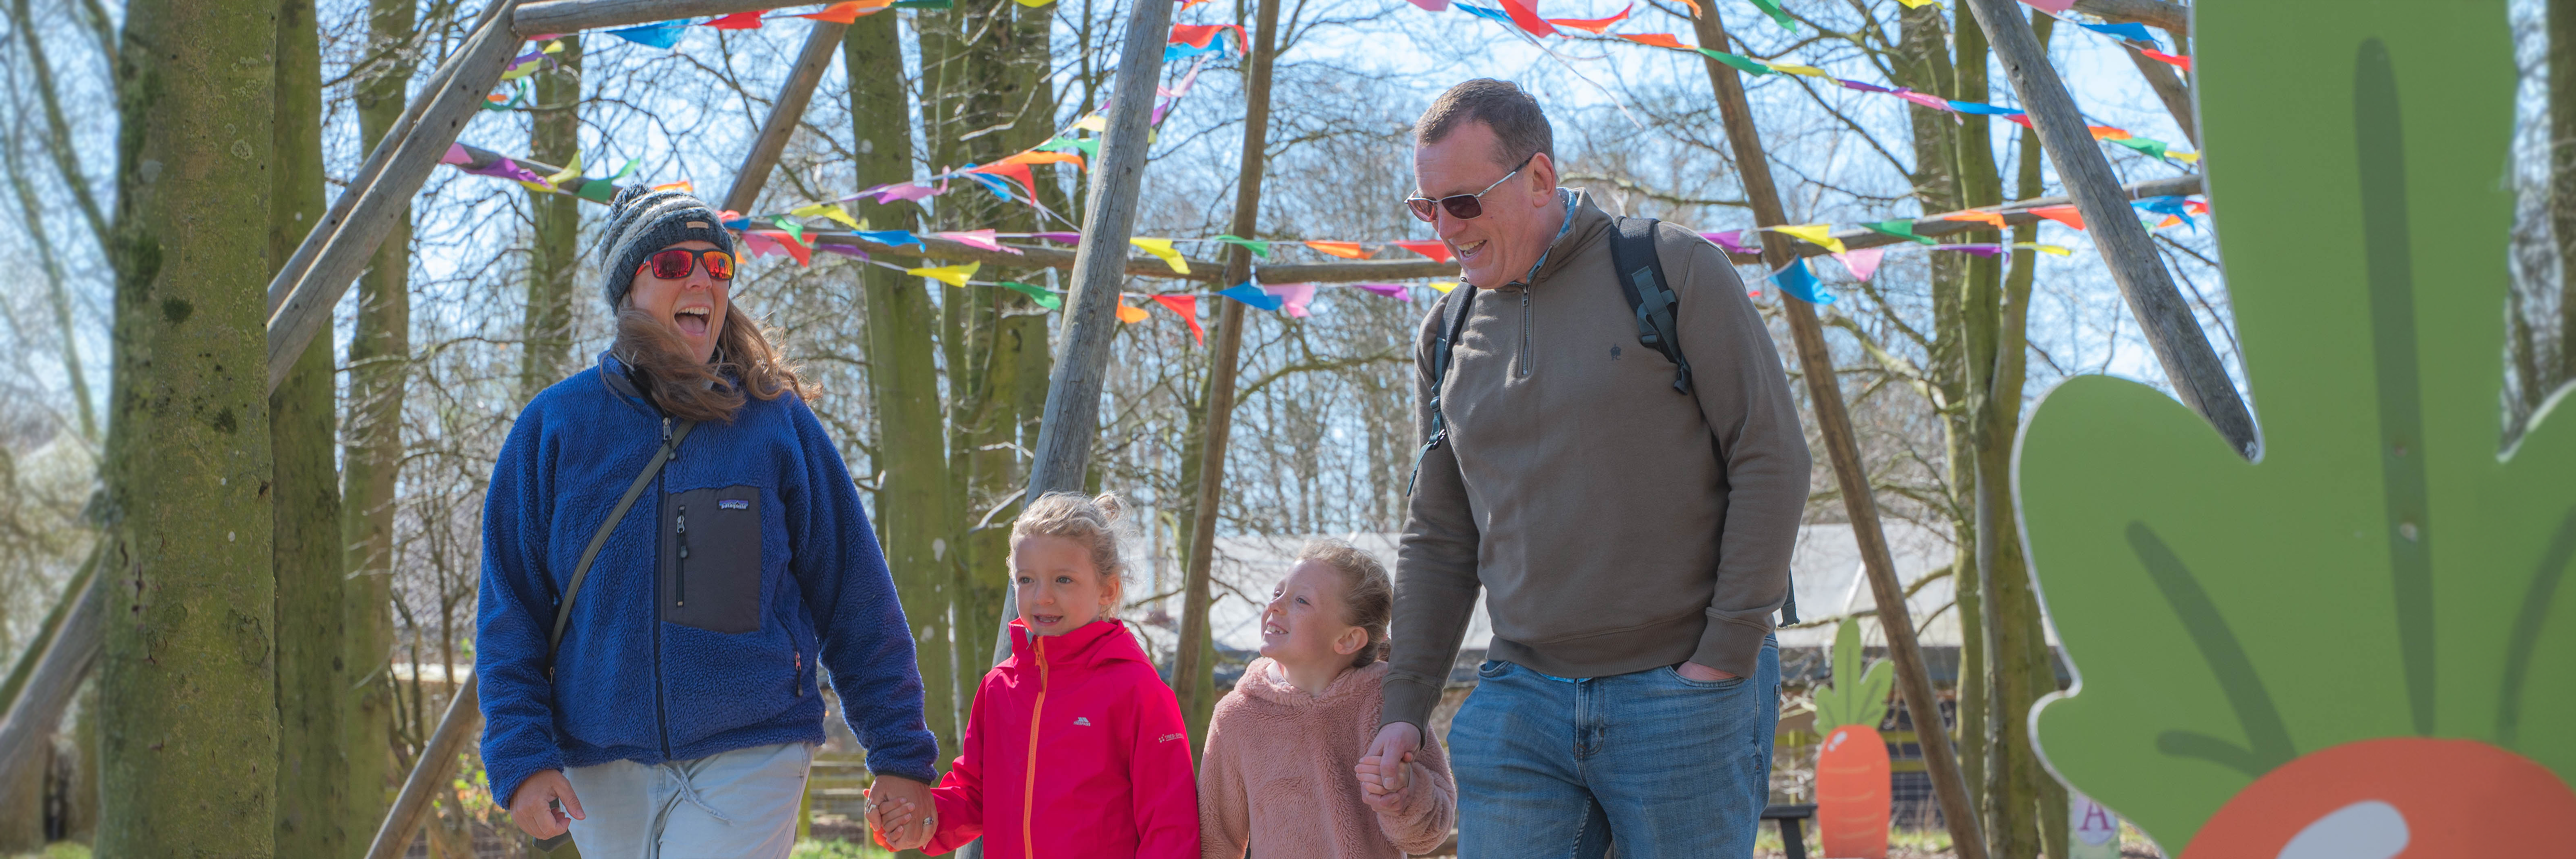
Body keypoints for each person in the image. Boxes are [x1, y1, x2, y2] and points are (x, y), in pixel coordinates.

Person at [1360, 79, 1813, 858]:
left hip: (1685, 692)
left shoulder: (1673, 270)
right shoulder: (1446, 332)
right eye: (1424, 207)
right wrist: (1404, 704)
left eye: (1461, 203)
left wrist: (1725, 654)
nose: (1443, 228)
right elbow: (1439, 534)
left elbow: (1771, 457)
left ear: (1539, 179)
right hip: (1519, 705)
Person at [476, 187, 941, 857]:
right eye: (672, 265)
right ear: (627, 289)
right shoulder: (553, 427)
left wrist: (899, 753)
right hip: (599, 764)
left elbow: (853, 592)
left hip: (753, 749)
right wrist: (520, 755)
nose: (700, 278)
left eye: (716, 266)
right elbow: (509, 610)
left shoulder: (776, 422)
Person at [866, 492, 1201, 857]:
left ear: (1108, 590)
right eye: (1027, 580)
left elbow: (1171, 828)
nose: (1042, 596)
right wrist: (915, 818)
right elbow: (974, 796)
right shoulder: (999, 689)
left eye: (1063, 580)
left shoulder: (1138, 690)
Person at [1197, 539, 1457, 858]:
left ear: (1348, 639)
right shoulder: (1236, 716)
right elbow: (1216, 841)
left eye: (1302, 600)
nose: (1275, 606)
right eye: (1277, 593)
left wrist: (1405, 794)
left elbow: (1428, 834)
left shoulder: (1390, 703)